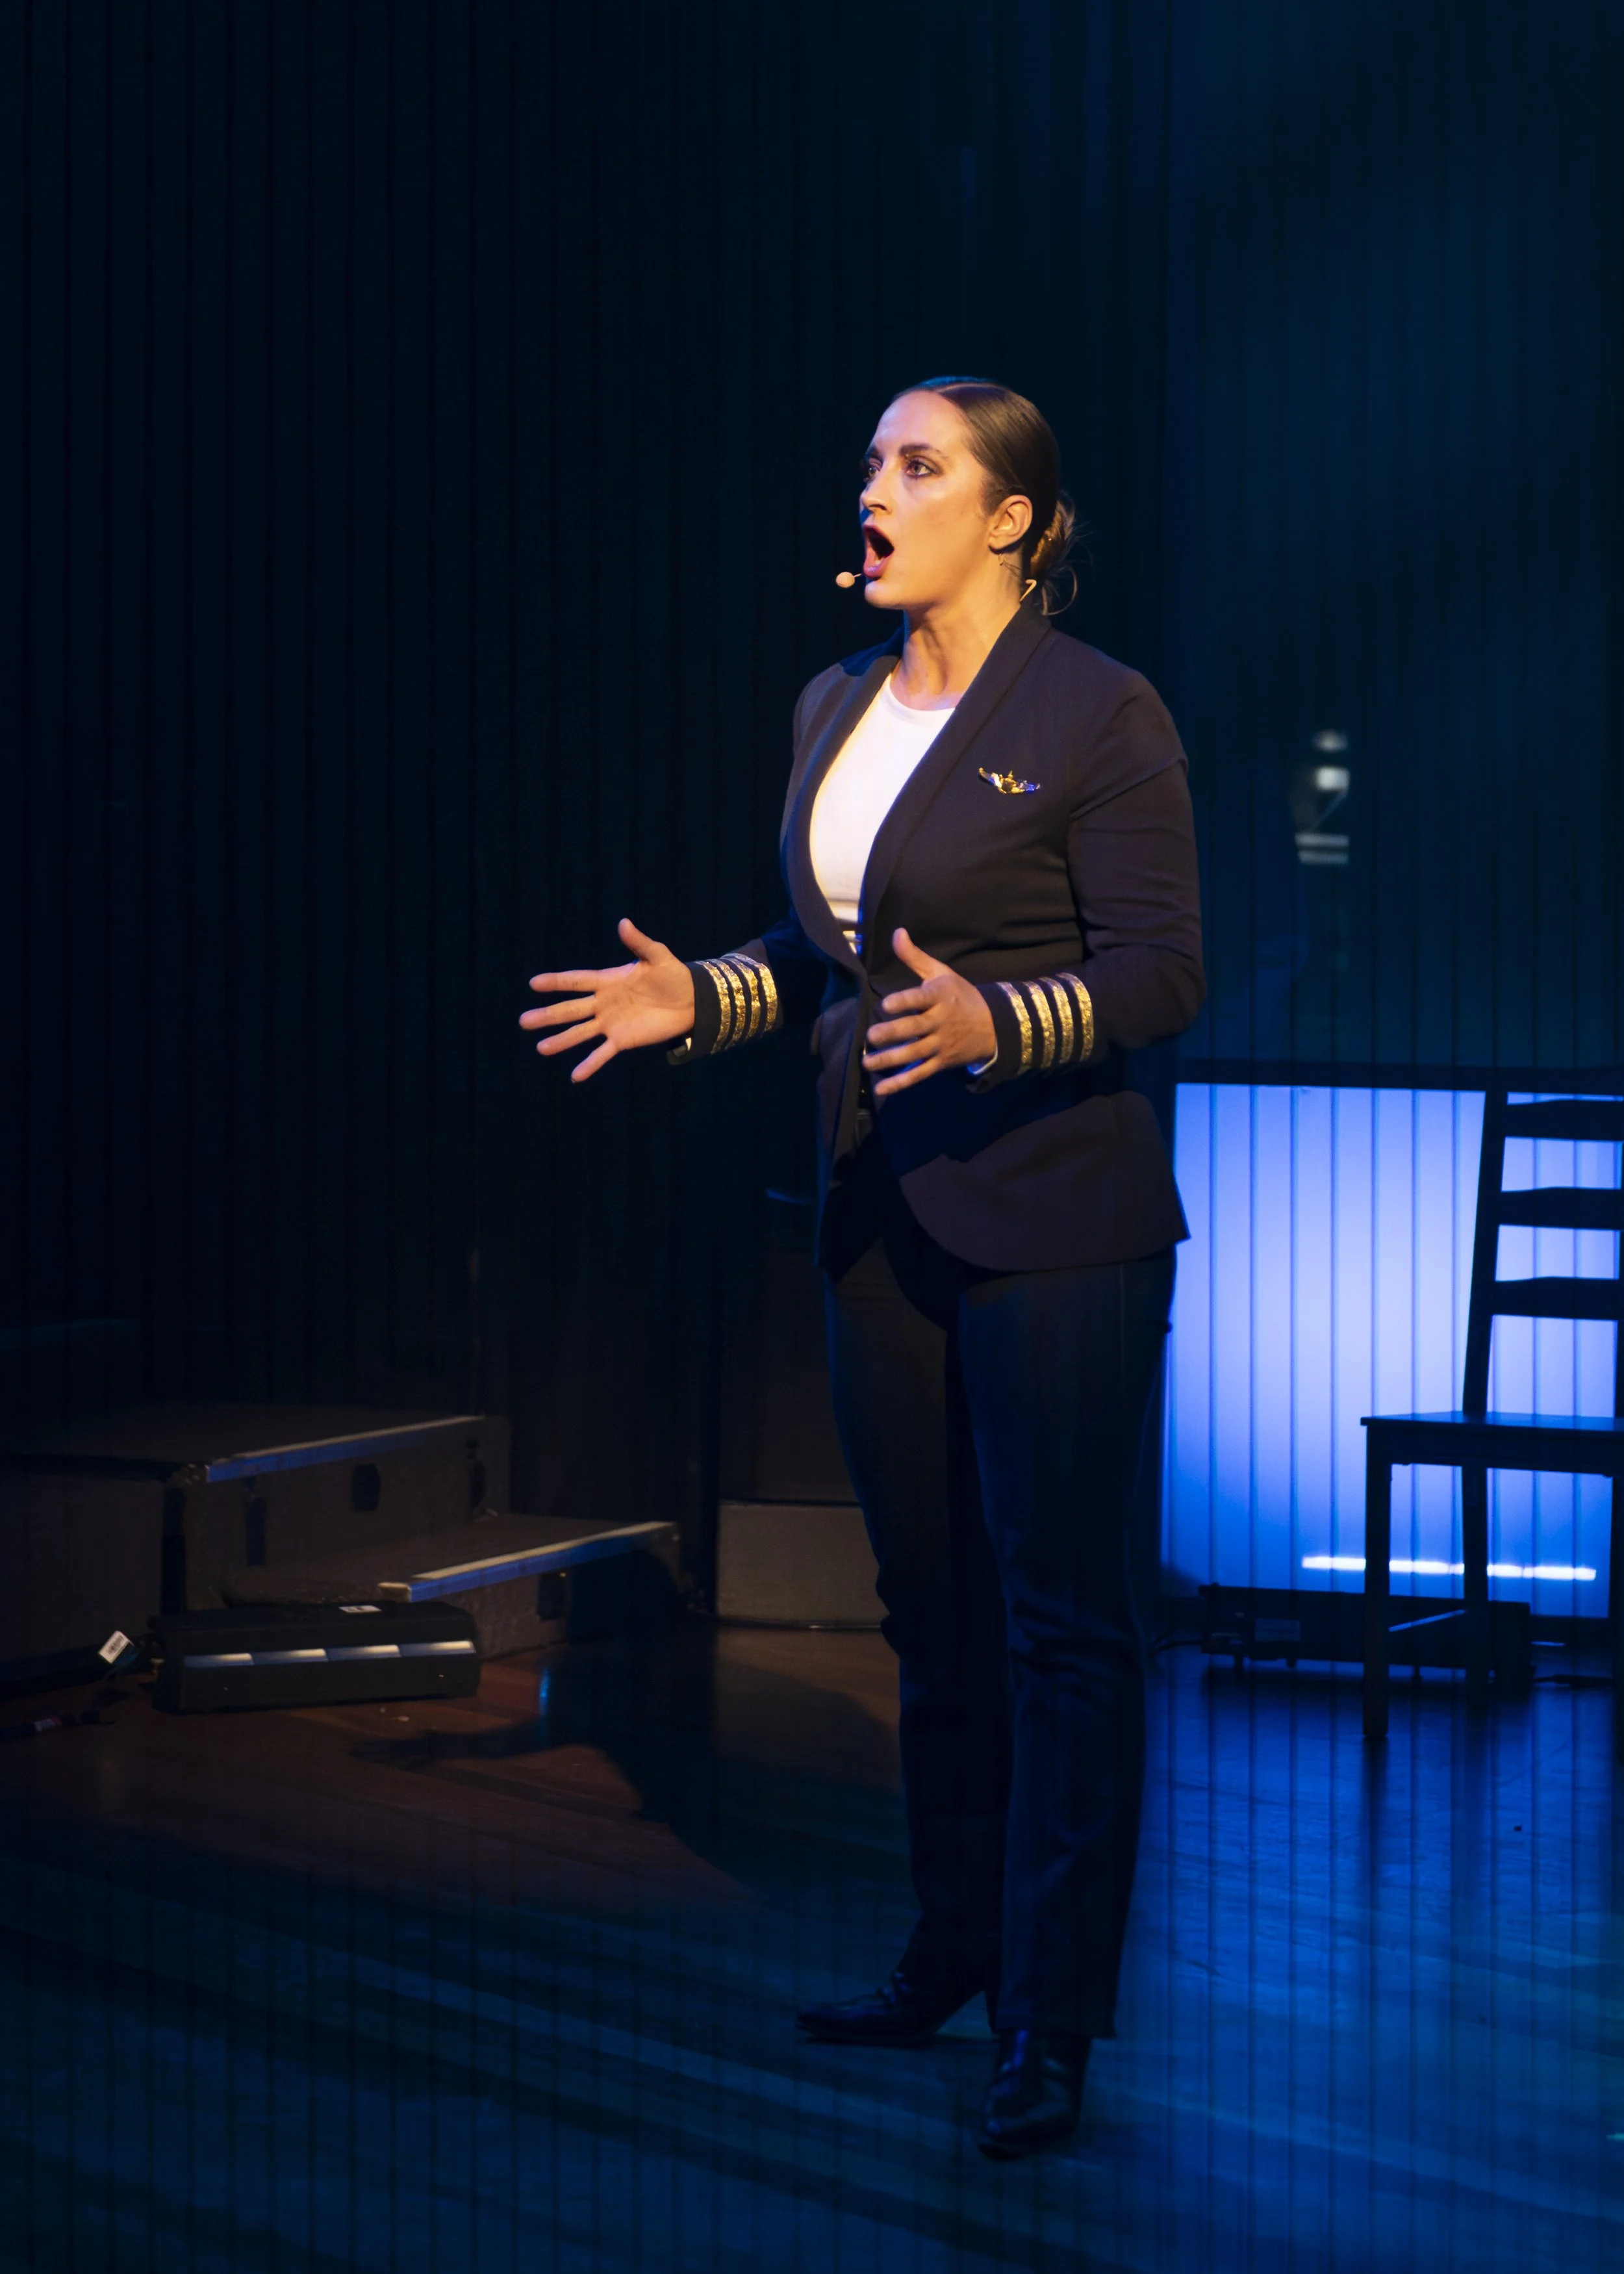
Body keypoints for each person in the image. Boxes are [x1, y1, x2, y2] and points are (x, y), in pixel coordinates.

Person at [520, 378, 1204, 2160]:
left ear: (1013, 519)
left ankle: (1049, 2015)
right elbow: (822, 951)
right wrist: (710, 997)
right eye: (871, 462)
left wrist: (1001, 1021)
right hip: (874, 1207)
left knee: (1061, 1625)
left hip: (1055, 1206)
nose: (873, 489)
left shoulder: (1100, 710)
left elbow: (1159, 975)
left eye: (919, 465)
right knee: (931, 1611)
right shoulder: (834, 701)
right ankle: (949, 1948)